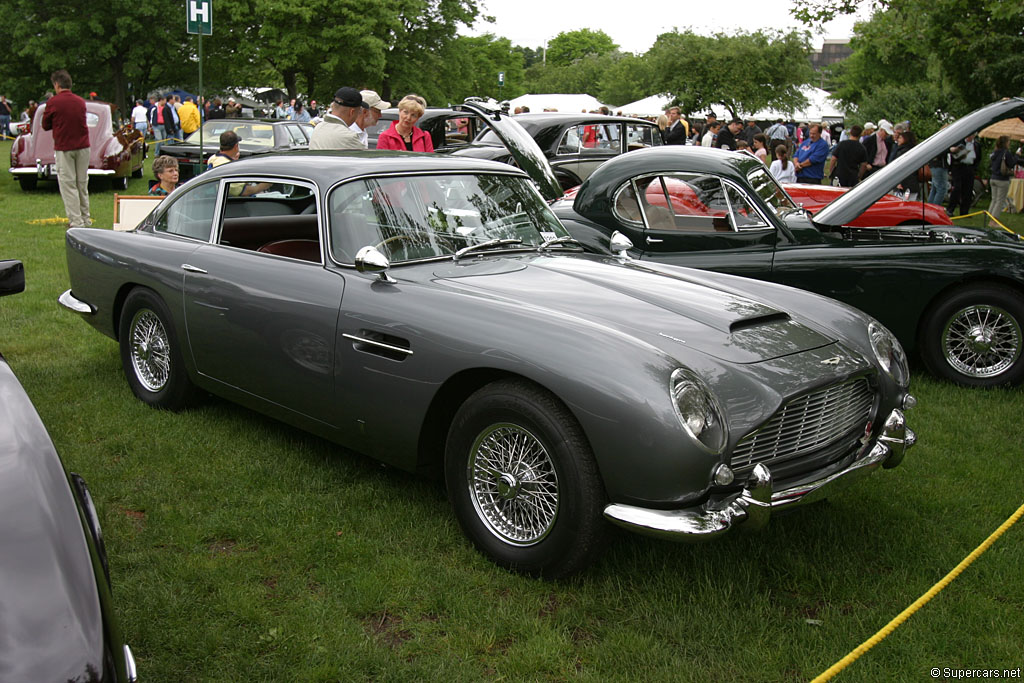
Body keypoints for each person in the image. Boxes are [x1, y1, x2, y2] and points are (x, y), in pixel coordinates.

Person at [41, 69, 91, 229]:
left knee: (68, 184)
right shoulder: (80, 101)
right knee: (82, 183)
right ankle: (86, 218)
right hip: (83, 146)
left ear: (57, 85)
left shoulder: (53, 102)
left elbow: (45, 124)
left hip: (64, 147)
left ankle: (76, 221)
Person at [947, 133, 980, 217]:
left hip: (969, 168)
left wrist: (974, 168)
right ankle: (950, 209)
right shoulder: (959, 142)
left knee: (968, 190)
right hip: (958, 167)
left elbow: (978, 157)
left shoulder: (976, 145)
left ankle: (964, 211)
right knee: (957, 188)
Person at [988, 135, 1018, 226]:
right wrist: (1017, 156)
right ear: (1005, 143)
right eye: (1008, 142)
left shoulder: (995, 152)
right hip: (1002, 179)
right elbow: (1011, 163)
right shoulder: (1006, 153)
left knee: (994, 199)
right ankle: (994, 221)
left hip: (993, 178)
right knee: (1000, 200)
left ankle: (989, 216)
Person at [892, 130, 920, 200]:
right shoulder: (914, 151)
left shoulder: (902, 152)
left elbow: (899, 168)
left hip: (903, 184)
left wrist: (898, 182)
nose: (898, 140)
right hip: (912, 183)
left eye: (900, 138)